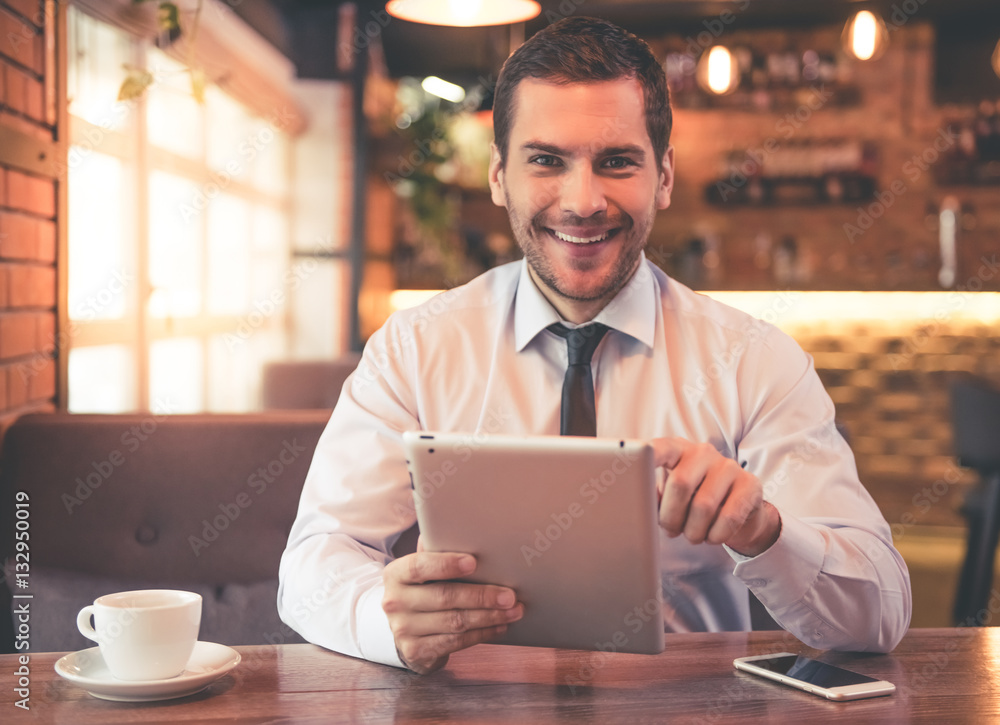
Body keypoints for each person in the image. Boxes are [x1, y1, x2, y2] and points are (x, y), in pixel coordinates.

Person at [278, 16, 911, 675]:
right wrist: (382, 617)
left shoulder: (756, 361)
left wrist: (766, 534)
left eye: (616, 162)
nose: (582, 202)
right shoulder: (414, 349)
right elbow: (312, 563)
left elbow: (880, 616)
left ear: (663, 176)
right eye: (547, 161)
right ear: (499, 175)